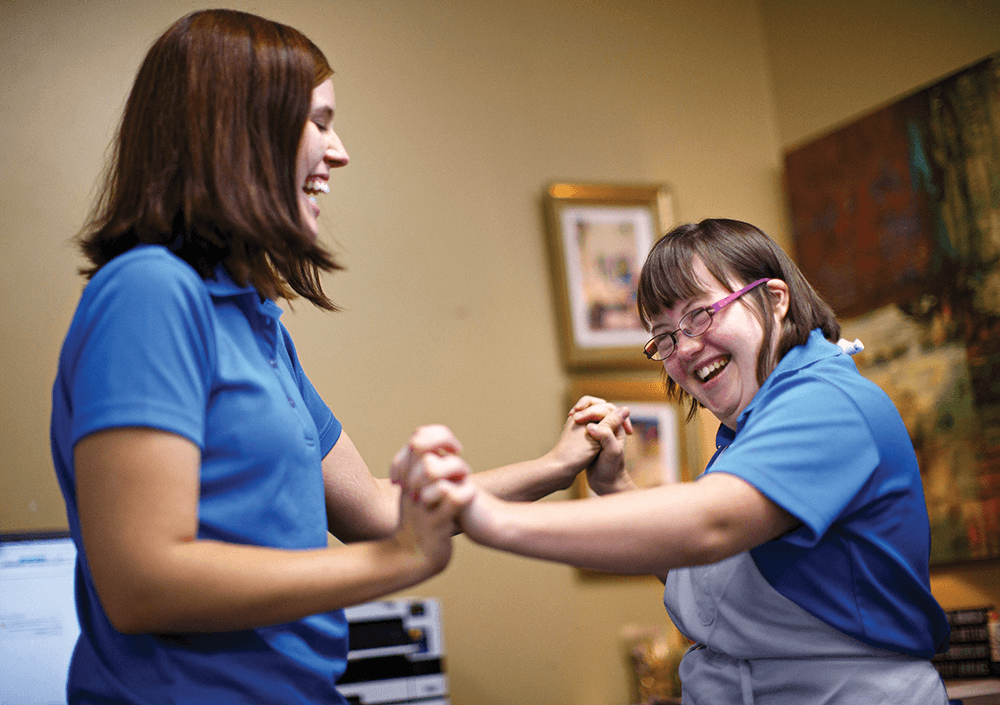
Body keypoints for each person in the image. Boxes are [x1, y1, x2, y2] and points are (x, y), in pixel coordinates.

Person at [49, 10, 625, 704]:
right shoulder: (149, 292)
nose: (340, 150)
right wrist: (401, 560)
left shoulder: (255, 322)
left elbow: (378, 511)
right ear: (241, 128)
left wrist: (556, 464)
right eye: (320, 122)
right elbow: (144, 585)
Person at [398, 219, 952, 704]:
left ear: (776, 299)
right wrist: (615, 488)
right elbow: (708, 570)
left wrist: (488, 516)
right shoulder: (746, 431)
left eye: (701, 316)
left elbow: (712, 523)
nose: (684, 349)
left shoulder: (827, 403)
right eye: (664, 336)